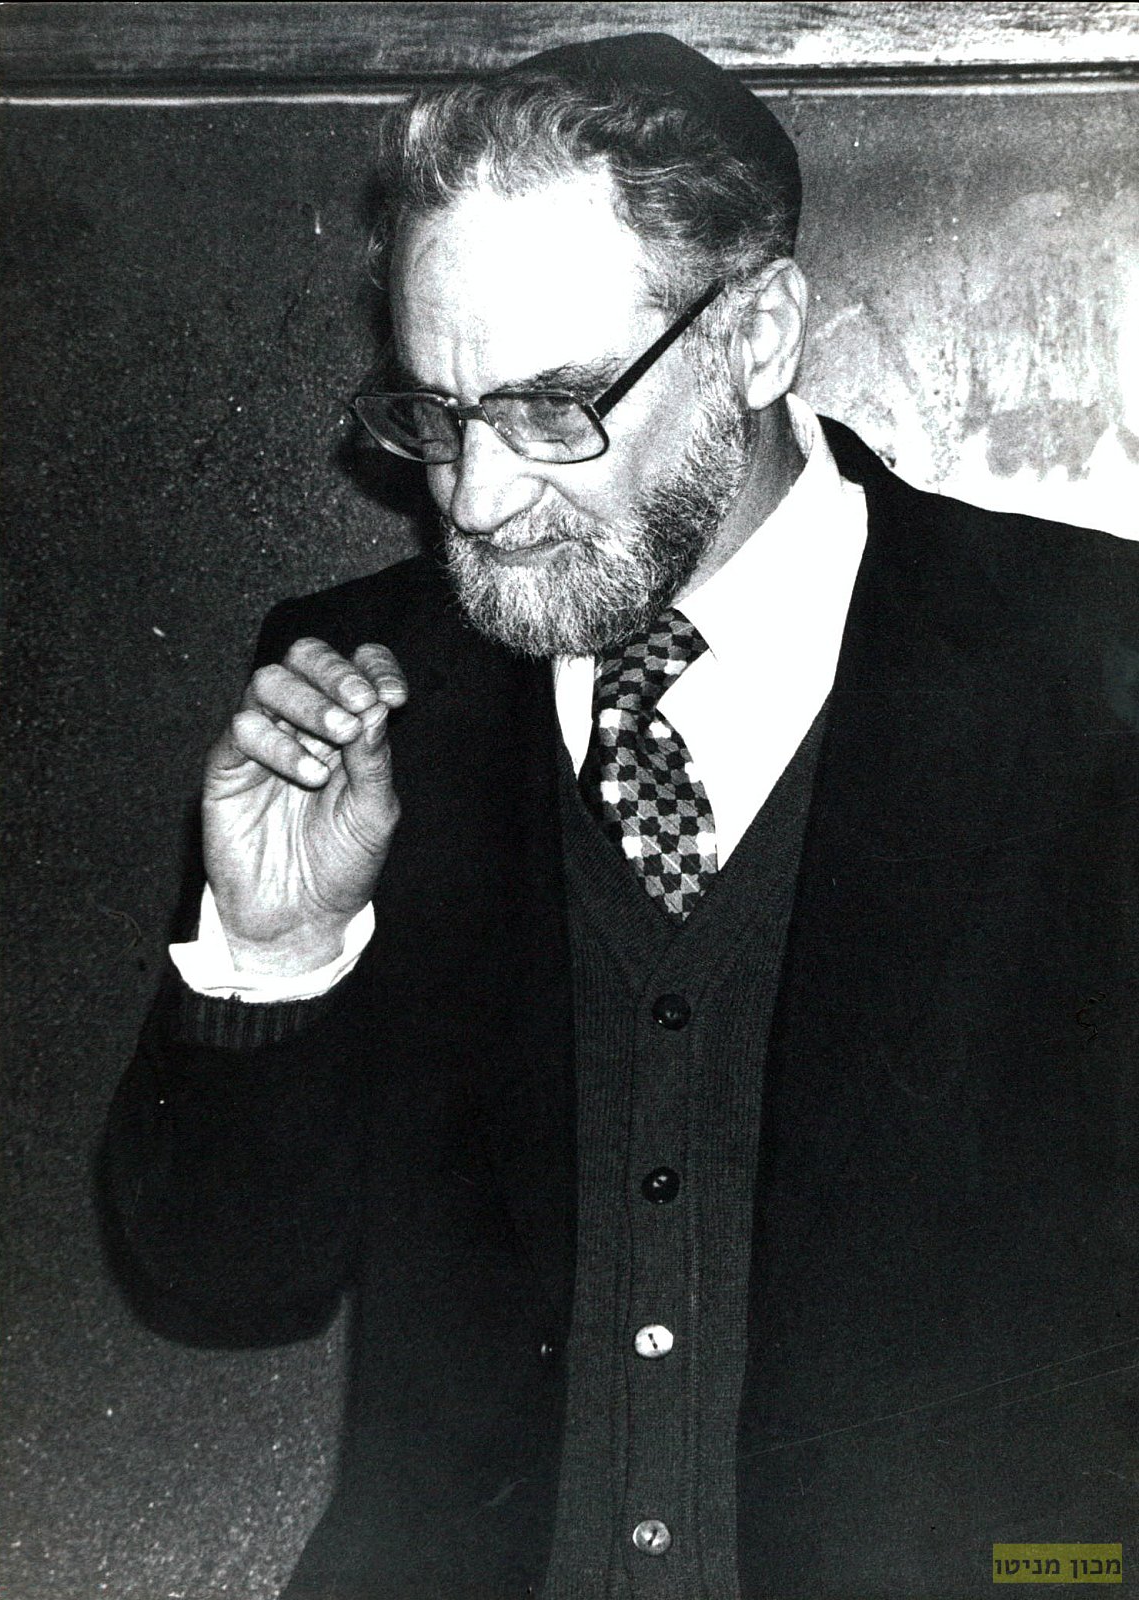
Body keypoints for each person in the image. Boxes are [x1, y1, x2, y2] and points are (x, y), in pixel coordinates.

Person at [103, 32, 1137, 1600]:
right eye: (434, 414)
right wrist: (275, 950)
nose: (474, 500)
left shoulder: (1091, 674)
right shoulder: (361, 685)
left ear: (757, 335)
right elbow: (222, 1283)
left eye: (552, 407)